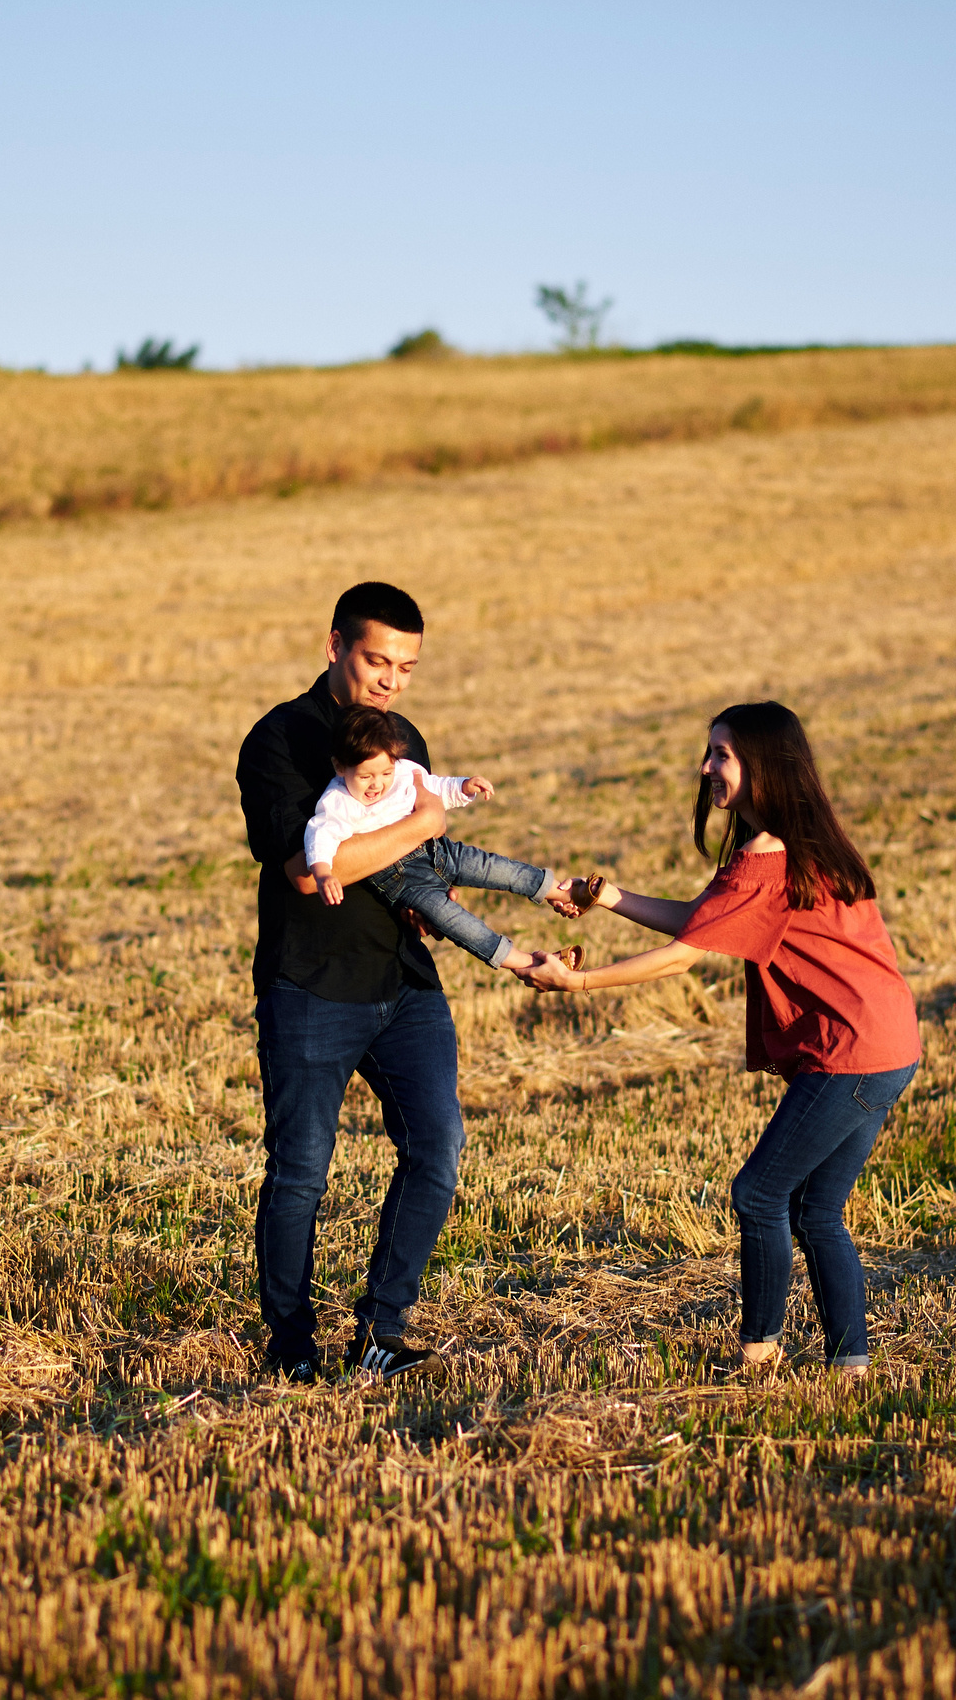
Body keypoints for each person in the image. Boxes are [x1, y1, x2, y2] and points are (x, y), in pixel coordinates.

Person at [518, 702, 921, 1378]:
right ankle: (851, 1366)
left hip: (848, 1052)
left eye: (722, 754)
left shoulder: (765, 856)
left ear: (762, 764)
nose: (706, 766)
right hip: (889, 1042)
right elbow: (707, 920)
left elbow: (686, 952)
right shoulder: (804, 840)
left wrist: (580, 985)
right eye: (709, 751)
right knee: (816, 1210)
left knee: (759, 1195)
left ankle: (758, 1355)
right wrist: (614, 898)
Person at [238, 582, 565, 1384]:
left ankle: (381, 1330)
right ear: (334, 646)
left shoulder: (403, 734)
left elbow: (417, 864)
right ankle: (291, 1345)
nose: (391, 680)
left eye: (407, 666)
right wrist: (422, 826)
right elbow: (311, 872)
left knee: (439, 1148)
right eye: (377, 659)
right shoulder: (277, 740)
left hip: (406, 983)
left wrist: (460, 906)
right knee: (301, 1170)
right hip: (311, 984)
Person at [304, 702, 586, 975]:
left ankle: (562, 893)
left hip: (439, 850)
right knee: (455, 922)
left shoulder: (403, 772)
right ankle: (526, 963)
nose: (377, 784)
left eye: (385, 772)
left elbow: (434, 786)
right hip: (405, 881)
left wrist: (463, 786)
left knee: (497, 868)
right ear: (340, 767)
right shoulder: (337, 801)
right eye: (365, 776)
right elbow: (321, 835)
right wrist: (323, 873)